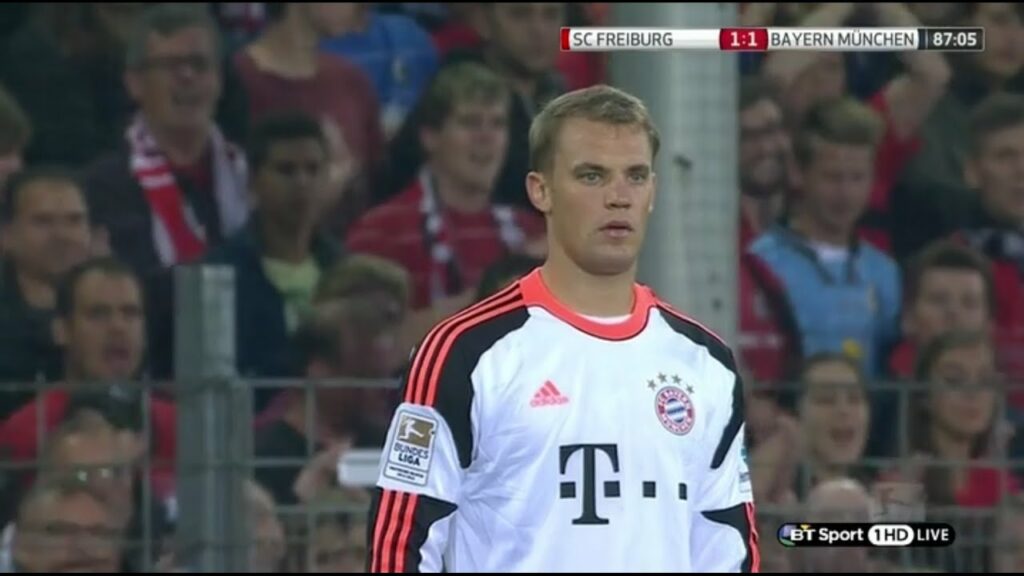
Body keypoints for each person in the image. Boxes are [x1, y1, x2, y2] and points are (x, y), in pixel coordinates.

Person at [366, 85, 757, 572]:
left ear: (653, 191)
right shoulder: (465, 352)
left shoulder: (705, 362)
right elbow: (400, 544)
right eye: (591, 176)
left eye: (635, 176)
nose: (618, 197)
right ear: (540, 190)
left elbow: (726, 546)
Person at [347, 62, 544, 349]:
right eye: (470, 123)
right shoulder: (380, 232)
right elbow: (372, 351)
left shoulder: (531, 230)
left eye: (497, 123)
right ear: (430, 136)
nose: (486, 138)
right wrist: (506, 291)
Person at [748, 97, 902, 378]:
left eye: (857, 178)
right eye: (833, 177)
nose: (846, 194)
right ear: (798, 173)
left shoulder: (885, 272)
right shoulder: (760, 262)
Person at [205, 112, 342, 398]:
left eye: (313, 169)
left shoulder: (346, 271)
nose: (302, 183)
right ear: (253, 181)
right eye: (286, 170)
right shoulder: (219, 276)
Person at [0, 169, 92, 418]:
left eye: (74, 220)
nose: (62, 235)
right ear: (6, 235)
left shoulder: (121, 299)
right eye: (43, 221)